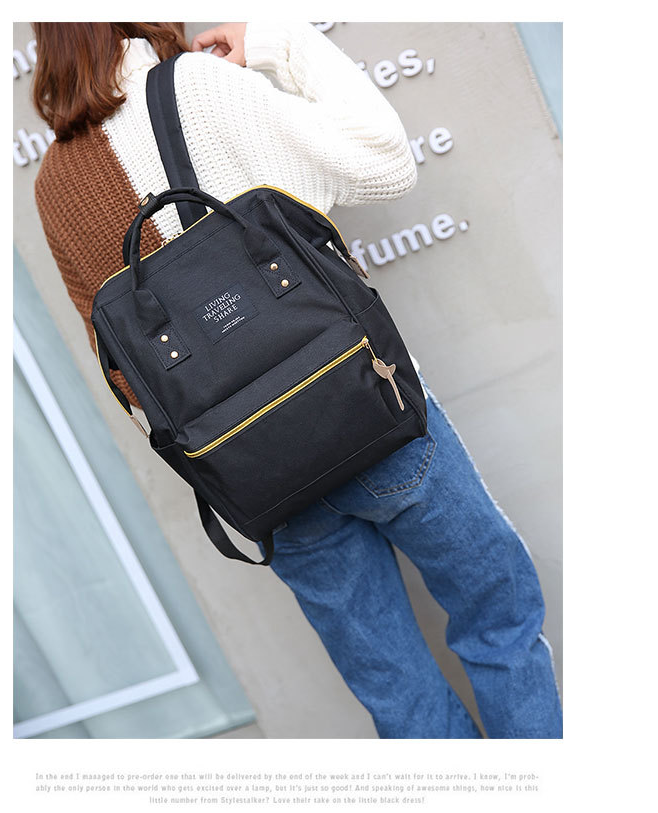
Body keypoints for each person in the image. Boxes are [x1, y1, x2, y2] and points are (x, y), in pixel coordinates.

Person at [32, 21, 562, 739]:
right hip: (367, 414)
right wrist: (281, 44)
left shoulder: (54, 188)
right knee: (498, 620)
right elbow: (384, 164)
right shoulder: (196, 85)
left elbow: (127, 375)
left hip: (262, 483)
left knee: (399, 695)